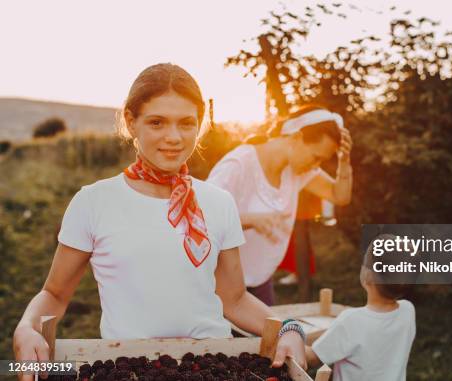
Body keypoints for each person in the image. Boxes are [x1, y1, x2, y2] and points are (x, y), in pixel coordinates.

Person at [12, 63, 306, 380]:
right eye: (157, 122)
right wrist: (27, 328)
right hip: (129, 368)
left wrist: (288, 329)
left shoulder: (219, 203)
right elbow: (55, 294)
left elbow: (234, 299)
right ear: (130, 121)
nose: (173, 137)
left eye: (186, 123)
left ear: (200, 125)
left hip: (209, 367)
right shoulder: (93, 202)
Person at [207, 105, 353, 305]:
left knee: (271, 335)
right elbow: (201, 218)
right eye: (316, 157)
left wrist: (344, 162)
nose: (316, 166)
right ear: (296, 138)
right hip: (217, 286)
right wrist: (251, 220)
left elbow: (340, 195)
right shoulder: (237, 165)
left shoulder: (296, 171)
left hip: (260, 281)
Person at [305, 235, 416, 380]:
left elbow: (312, 358)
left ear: (368, 276)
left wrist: (290, 333)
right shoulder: (408, 311)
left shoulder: (351, 320)